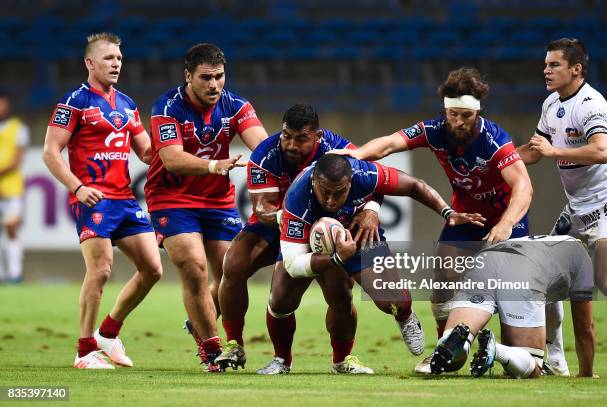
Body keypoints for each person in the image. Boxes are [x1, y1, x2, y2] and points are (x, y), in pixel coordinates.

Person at [333, 67, 533, 373]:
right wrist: (356, 156)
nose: (458, 122)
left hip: (507, 220)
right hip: (467, 218)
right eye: (453, 114)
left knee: (512, 301)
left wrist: (505, 224)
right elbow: (389, 143)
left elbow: (523, 186)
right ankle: (443, 354)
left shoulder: (494, 141)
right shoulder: (435, 130)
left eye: (465, 116)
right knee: (440, 285)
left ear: (477, 112)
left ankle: (517, 354)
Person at [257, 154, 484, 374]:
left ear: (350, 183)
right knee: (279, 299)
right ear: (314, 180)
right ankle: (281, 360)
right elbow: (293, 263)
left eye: (339, 193)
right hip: (307, 239)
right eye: (324, 192)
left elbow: (414, 185)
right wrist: (336, 258)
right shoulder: (297, 198)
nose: (330, 200)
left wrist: (447, 212)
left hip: (358, 233)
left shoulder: (363, 174)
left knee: (392, 302)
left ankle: (403, 316)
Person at [215, 103, 384, 370]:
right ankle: (236, 346)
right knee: (234, 264)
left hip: (328, 227)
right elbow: (261, 210)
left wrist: (372, 209)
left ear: (317, 137)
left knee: (341, 295)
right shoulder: (265, 154)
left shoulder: (339, 149)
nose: (291, 145)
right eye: (286, 136)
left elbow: (376, 179)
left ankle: (342, 360)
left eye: (301, 138)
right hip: (279, 226)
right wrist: (289, 216)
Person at [42, 32, 163, 369]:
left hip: (124, 198)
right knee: (101, 269)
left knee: (153, 269)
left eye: (119, 59)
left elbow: (147, 152)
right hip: (93, 199)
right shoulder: (74, 103)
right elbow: (50, 153)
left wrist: (176, 148)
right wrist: (77, 187)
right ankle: (83, 351)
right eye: (109, 58)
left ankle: (108, 333)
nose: (116, 64)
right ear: (90, 62)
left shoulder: (126, 104)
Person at [145, 43, 267, 371]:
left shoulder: (236, 105)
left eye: (219, 77)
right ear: (188, 76)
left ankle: (198, 320)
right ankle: (212, 349)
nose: (214, 85)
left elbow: (264, 148)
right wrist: (215, 166)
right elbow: (171, 159)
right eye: (205, 78)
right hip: (172, 197)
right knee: (194, 265)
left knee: (231, 271)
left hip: (217, 200)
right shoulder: (167, 107)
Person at [517, 38, 607, 376]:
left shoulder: (591, 105)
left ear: (576, 69)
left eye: (554, 64)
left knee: (606, 281)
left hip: (606, 208)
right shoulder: (551, 104)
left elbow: (602, 151)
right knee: (544, 275)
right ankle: (558, 357)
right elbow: (533, 151)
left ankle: (578, 367)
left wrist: (554, 152)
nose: (546, 69)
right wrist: (496, 161)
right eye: (546, 64)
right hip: (576, 211)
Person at [428, 235, 595, 379]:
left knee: (452, 362)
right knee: (532, 367)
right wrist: (586, 373)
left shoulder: (555, 244)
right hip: (522, 269)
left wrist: (558, 361)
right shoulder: (583, 260)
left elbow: (552, 305)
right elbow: (584, 328)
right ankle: (497, 350)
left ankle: (457, 341)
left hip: (486, 259)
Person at [0, 92, 29, 283]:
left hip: (11, 190)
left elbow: (16, 161)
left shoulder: (19, 128)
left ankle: (15, 273)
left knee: (11, 228)